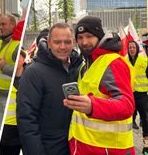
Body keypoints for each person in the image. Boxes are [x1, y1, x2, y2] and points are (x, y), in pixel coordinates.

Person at [63, 16, 135, 155]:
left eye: (89, 36)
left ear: (99, 36)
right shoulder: (86, 66)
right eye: (80, 37)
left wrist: (93, 106)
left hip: (109, 149)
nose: (84, 42)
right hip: (85, 147)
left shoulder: (113, 62)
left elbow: (126, 105)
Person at [17, 23, 83, 155]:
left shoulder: (80, 69)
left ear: (74, 43)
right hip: (48, 148)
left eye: (67, 42)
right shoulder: (33, 73)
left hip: (75, 147)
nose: (63, 47)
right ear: (48, 43)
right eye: (57, 42)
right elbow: (26, 120)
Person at [0, 49, 26, 155]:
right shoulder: (6, 76)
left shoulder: (30, 77)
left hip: (24, 127)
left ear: (24, 59)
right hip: (7, 129)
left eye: (18, 57)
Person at [128, 41, 148, 154]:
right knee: (127, 120)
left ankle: (146, 145)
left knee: (145, 119)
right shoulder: (125, 61)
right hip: (129, 95)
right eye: (130, 47)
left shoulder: (144, 60)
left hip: (142, 95)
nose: (132, 49)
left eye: (133, 47)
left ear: (137, 48)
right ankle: (128, 145)